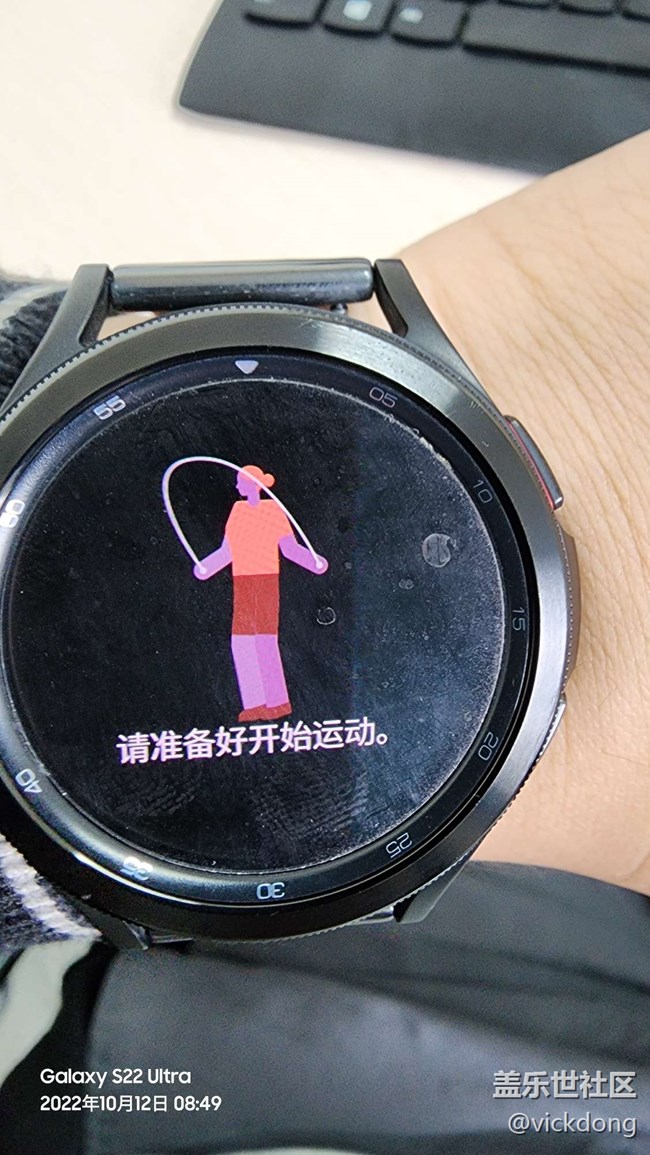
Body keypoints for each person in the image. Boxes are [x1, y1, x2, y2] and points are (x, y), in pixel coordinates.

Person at [0, 130, 649, 1155]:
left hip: (258, 604)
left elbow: (299, 557)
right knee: (247, 659)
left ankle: (267, 714)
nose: (258, 485)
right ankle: (263, 712)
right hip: (239, 605)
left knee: (258, 664)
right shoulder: (242, 514)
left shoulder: (262, 512)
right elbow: (230, 561)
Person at [193, 464, 328, 722]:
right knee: (242, 642)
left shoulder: (273, 510)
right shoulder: (238, 511)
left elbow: (289, 549)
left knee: (264, 640)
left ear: (252, 484)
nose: (236, 486)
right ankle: (254, 703)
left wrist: (314, 563)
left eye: (240, 482)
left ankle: (277, 702)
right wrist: (206, 569)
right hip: (243, 582)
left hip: (265, 580)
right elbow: (227, 552)